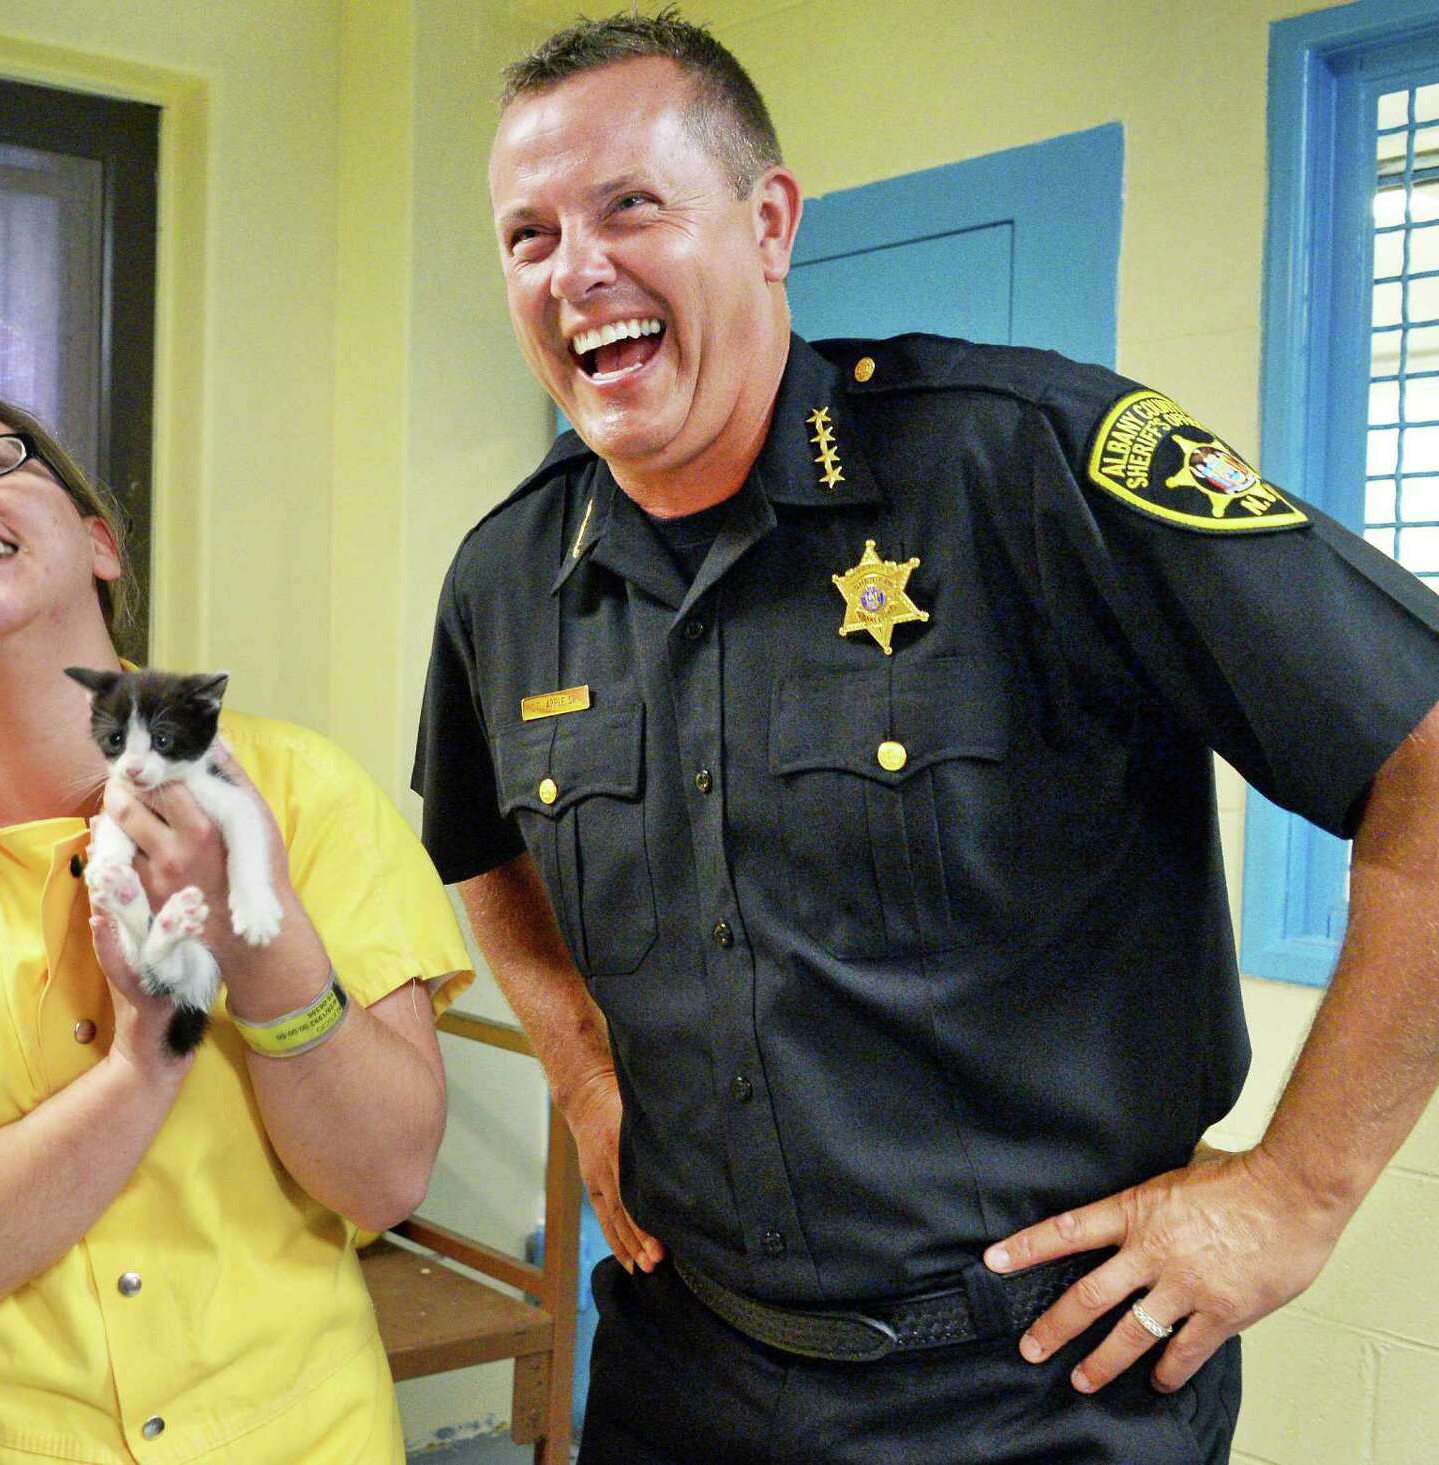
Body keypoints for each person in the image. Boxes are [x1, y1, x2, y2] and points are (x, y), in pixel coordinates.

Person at [411, 12, 1439, 1463]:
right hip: (681, 1368)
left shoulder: (1026, 461)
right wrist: (582, 1069)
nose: (575, 269)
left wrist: (1300, 1191)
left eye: (628, 206)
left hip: (1037, 1388)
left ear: (769, 224)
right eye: (529, 235)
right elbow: (477, 844)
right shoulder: (508, 575)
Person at [0, 383, 472, 1464]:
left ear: (98, 543)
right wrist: (144, 1059)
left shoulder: (305, 795)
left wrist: (252, 932)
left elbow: (386, 1176)